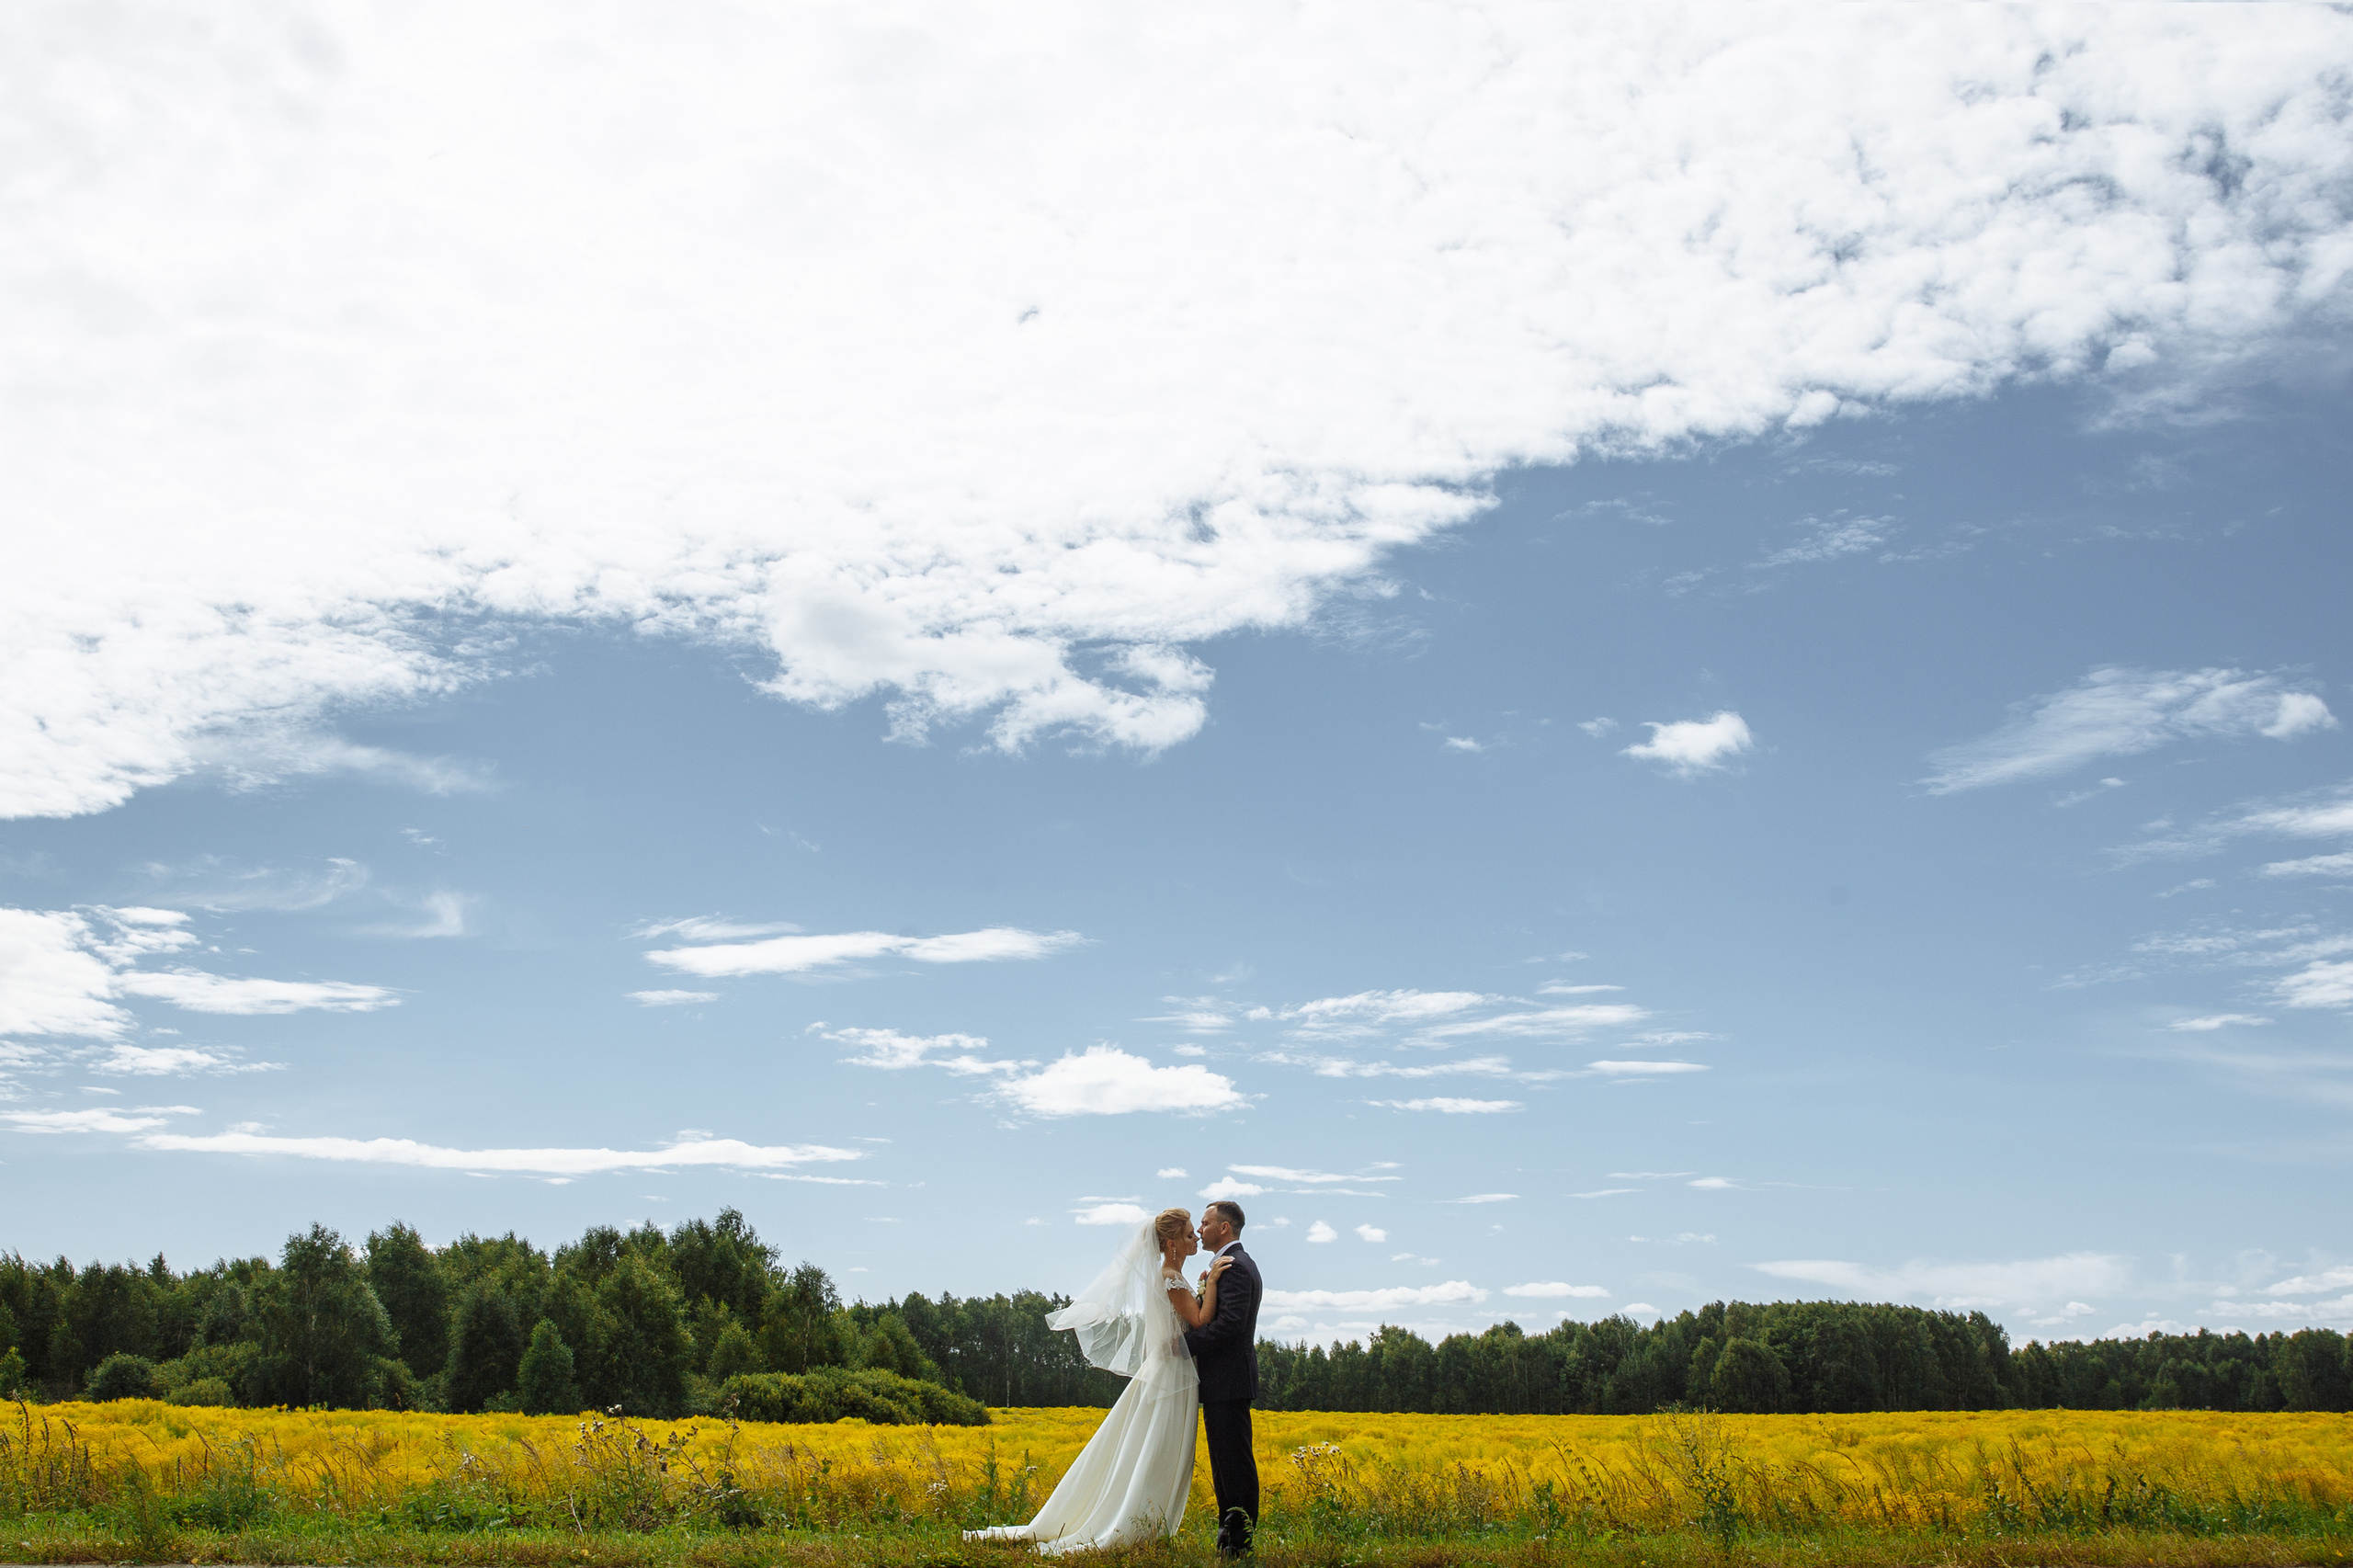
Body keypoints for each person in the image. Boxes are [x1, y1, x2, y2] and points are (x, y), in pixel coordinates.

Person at [965, 1207, 1233, 1554]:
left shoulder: (1170, 1275)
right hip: (1173, 1376)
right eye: (1188, 1234)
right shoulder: (1170, 1276)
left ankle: (1145, 1521)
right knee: (1156, 1446)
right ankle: (1133, 1521)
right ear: (1171, 1244)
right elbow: (1199, 1321)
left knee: (1153, 1445)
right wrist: (1211, 1284)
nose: (1195, 1236)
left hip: (1174, 1372)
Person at [1184, 1199, 1262, 1557]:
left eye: (1205, 1223)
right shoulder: (1226, 1266)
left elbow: (1229, 1329)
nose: (1200, 1230)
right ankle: (1229, 1538)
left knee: (1234, 1465)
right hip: (1223, 1383)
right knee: (1225, 1464)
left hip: (1228, 1382)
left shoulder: (1235, 1268)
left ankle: (1238, 1541)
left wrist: (1180, 1345)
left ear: (1224, 1228)